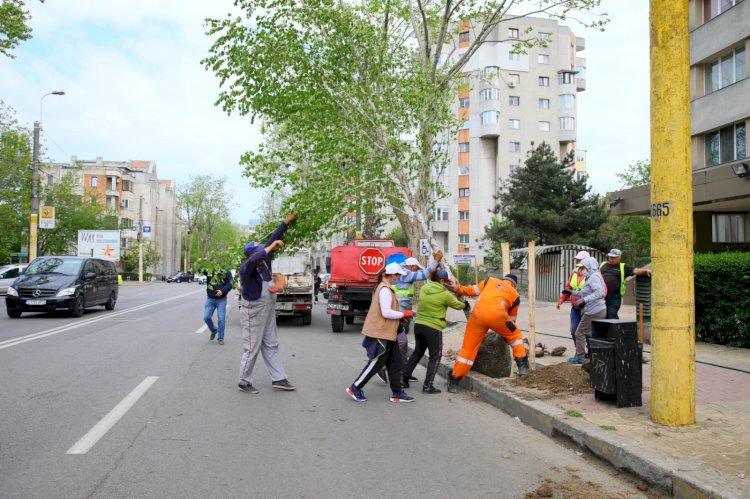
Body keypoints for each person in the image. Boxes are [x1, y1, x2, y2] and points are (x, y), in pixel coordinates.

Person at [237, 214, 298, 394]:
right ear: (251, 255)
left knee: (271, 343)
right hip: (253, 310)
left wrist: (285, 223)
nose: (265, 253)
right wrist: (271, 246)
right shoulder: (246, 267)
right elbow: (256, 257)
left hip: (268, 307)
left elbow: (273, 239)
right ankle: (243, 381)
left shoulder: (265, 262)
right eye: (260, 252)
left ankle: (278, 378)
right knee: (252, 347)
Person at [447, 273, 532, 393]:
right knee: (515, 335)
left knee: (468, 350)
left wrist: (458, 289)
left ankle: (454, 382)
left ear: (503, 279)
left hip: (477, 315)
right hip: (498, 316)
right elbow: (511, 320)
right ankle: (523, 367)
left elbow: (472, 290)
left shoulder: (490, 281)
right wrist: (505, 335)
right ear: (514, 285)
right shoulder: (515, 295)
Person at [346, 263, 415, 403]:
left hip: (389, 332)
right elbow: (386, 312)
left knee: (395, 362)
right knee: (376, 362)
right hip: (381, 332)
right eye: (398, 275)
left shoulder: (385, 287)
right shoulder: (384, 289)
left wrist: (401, 318)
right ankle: (355, 387)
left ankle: (397, 392)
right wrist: (403, 314)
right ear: (392, 275)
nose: (398, 278)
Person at [402, 269, 467, 394]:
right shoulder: (445, 294)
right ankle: (428, 386)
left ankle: (404, 378)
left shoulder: (424, 289)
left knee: (417, 352)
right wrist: (465, 304)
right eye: (446, 281)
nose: (447, 284)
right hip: (433, 327)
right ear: (442, 280)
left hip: (419, 324)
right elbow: (458, 305)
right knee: (435, 356)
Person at [568, 257, 607, 364]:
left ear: (590, 267)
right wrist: (571, 292)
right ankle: (591, 356)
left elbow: (599, 293)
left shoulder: (594, 277)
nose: (581, 270)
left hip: (594, 311)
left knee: (579, 333)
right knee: (588, 333)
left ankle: (580, 357)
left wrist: (584, 301)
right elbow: (585, 291)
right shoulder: (593, 276)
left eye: (583, 267)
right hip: (597, 309)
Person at [600, 249, 652, 319]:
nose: (611, 259)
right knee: (602, 316)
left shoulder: (623, 266)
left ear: (619, 258)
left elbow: (635, 271)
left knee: (611, 315)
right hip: (601, 296)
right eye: (610, 257)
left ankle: (616, 329)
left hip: (614, 297)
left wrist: (645, 270)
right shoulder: (603, 264)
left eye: (614, 257)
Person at [556, 251, 589, 347]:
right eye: (577, 260)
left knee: (588, 333)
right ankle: (580, 353)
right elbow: (568, 288)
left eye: (580, 259)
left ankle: (591, 353)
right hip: (575, 306)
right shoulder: (574, 272)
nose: (578, 261)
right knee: (574, 330)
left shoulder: (592, 274)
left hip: (587, 307)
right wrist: (561, 300)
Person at [203, 269, 233, 345]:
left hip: (221, 300)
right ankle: (214, 330)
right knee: (206, 317)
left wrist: (222, 291)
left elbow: (230, 284)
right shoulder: (209, 269)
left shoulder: (226, 271)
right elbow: (201, 270)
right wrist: (203, 261)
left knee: (221, 319)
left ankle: (220, 338)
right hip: (210, 299)